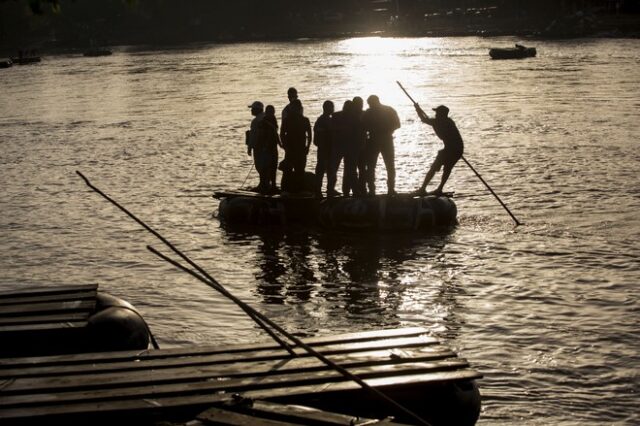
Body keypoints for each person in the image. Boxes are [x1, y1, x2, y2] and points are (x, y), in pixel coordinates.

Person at [412, 104, 464, 195]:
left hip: (453, 149)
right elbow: (427, 120)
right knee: (447, 169)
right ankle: (438, 188)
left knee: (435, 168)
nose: (435, 114)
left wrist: (417, 109)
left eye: (437, 112)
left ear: (441, 114)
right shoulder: (447, 121)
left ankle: (423, 189)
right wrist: (419, 110)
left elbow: (424, 119)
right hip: (457, 148)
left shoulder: (440, 122)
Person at [362, 95, 401, 196]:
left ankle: (388, 189)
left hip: (380, 140)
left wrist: (385, 130)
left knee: (385, 166)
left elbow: (397, 124)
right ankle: (374, 190)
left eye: (370, 104)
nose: (370, 106)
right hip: (379, 140)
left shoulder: (371, 112)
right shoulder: (387, 110)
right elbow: (397, 124)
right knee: (374, 166)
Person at [280, 99, 312, 192]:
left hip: (301, 150)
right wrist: (285, 147)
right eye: (293, 108)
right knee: (287, 171)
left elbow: (309, 135)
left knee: (300, 171)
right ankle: (285, 190)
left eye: (296, 108)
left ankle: (299, 190)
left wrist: (307, 147)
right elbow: (282, 134)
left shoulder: (305, 120)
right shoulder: (287, 120)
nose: (294, 110)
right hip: (290, 150)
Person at [313, 100, 334, 196]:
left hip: (329, 148)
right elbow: (317, 137)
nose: (333, 109)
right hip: (324, 149)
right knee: (321, 169)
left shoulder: (329, 119)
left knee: (330, 169)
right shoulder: (322, 120)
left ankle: (329, 189)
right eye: (331, 107)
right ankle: (318, 189)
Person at [246, 101, 268, 192]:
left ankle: (263, 184)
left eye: (253, 109)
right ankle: (266, 183)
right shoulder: (267, 117)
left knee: (260, 166)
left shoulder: (255, 121)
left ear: (257, 109)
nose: (251, 110)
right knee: (266, 166)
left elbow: (253, 136)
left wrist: (249, 148)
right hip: (268, 146)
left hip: (259, 147)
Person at [261, 105, 282, 193]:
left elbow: (275, 133)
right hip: (267, 148)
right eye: (270, 112)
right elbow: (263, 136)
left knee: (274, 167)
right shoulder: (263, 122)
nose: (271, 113)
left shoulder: (273, 120)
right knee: (267, 168)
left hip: (273, 147)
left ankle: (273, 185)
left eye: (272, 112)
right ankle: (266, 185)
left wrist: (280, 143)